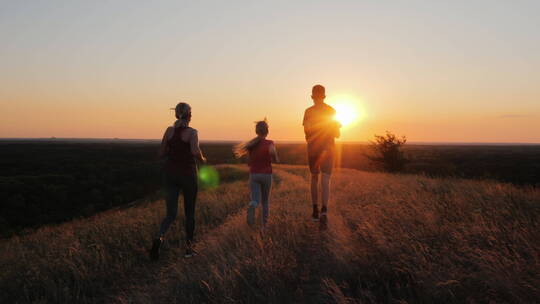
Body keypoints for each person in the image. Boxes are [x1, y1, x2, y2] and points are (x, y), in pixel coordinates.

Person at [150, 102, 206, 260]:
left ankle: (159, 238)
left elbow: (161, 153)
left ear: (176, 114)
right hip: (188, 175)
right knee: (189, 213)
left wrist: (171, 151)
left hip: (170, 174)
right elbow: (195, 151)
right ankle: (188, 250)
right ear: (189, 115)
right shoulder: (192, 132)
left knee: (170, 214)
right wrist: (202, 158)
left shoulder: (169, 131)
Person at [302, 85, 341, 222]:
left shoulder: (308, 112)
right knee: (326, 178)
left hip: (313, 148)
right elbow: (337, 134)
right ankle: (324, 210)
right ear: (324, 96)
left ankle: (314, 211)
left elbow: (306, 132)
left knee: (314, 177)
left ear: (312, 96)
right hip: (328, 148)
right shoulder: (331, 111)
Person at [234, 120, 279, 229]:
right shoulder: (270, 143)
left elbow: (249, 162)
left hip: (254, 174)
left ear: (256, 131)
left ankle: (252, 205)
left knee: (255, 199)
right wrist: (275, 158)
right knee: (265, 201)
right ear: (267, 131)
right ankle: (265, 226)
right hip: (267, 175)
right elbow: (274, 155)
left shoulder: (251, 145)